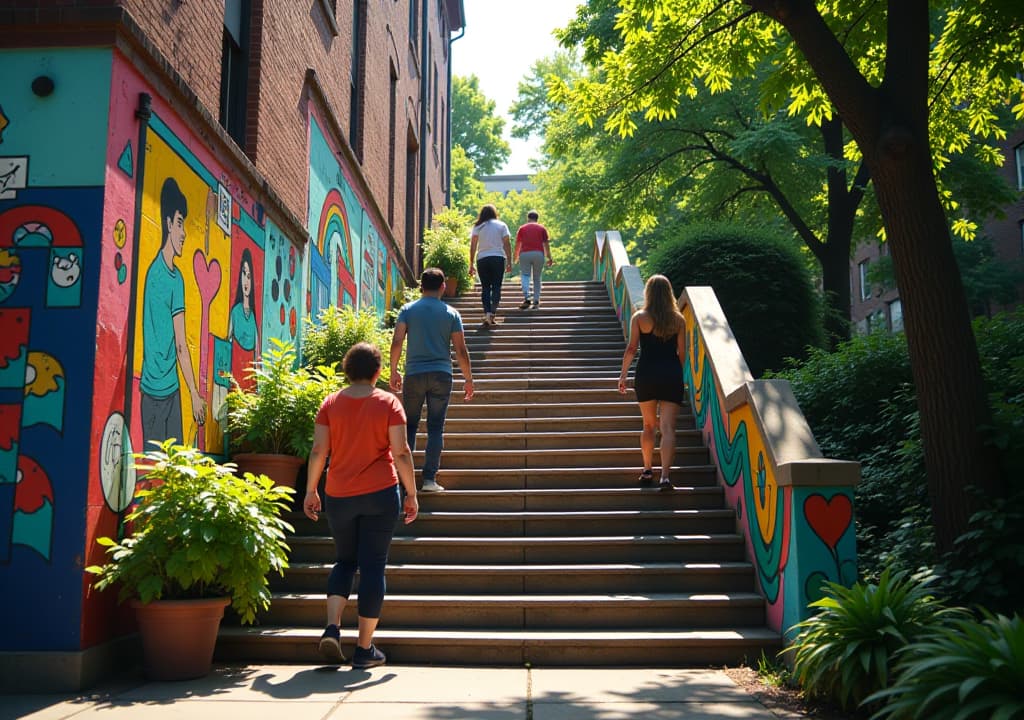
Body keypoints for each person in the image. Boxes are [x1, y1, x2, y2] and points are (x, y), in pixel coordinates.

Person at [303, 342, 419, 668]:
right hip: (381, 494)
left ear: (347, 370)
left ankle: (331, 627)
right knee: (372, 567)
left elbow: (318, 451)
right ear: (378, 371)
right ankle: (364, 649)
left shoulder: (330, 404)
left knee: (343, 561)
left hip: (338, 495)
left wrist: (312, 490)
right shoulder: (388, 404)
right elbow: (401, 453)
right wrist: (411, 493)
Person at [389, 267, 474, 492]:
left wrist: (394, 370)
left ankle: (400, 478)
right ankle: (429, 480)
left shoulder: (407, 310)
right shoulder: (451, 313)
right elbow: (461, 350)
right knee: (436, 427)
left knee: (409, 425)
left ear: (421, 287)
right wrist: (468, 379)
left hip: (414, 374)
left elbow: (397, 341)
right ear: (443, 287)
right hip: (441, 374)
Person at [139, 177, 207, 445]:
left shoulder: (155, 273)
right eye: (180, 223)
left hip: (156, 390)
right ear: (168, 224)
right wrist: (195, 394)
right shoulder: (169, 278)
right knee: (170, 472)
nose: (184, 232)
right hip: (164, 392)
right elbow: (181, 344)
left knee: (153, 472)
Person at [617, 274, 687, 491]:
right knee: (668, 428)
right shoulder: (678, 320)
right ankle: (665, 477)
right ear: (668, 293)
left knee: (648, 425)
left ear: (648, 293)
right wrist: (678, 375)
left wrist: (623, 375)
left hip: (646, 374)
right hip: (670, 373)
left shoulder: (639, 317)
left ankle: (647, 469)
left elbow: (632, 348)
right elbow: (682, 353)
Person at [468, 204, 512, 326]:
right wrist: (509, 261)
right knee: (497, 286)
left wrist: (471, 263)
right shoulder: (501, 225)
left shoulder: (478, 226)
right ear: (494, 213)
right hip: (498, 258)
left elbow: (473, 246)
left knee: (485, 287)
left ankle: (487, 313)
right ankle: (492, 312)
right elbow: (507, 244)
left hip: (482, 259)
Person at [514, 210, 553, 309]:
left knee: (525, 275)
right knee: (537, 277)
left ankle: (527, 297)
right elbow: (546, 244)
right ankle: (536, 300)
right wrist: (549, 257)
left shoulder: (522, 228)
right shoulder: (542, 228)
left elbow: (518, 243)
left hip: (525, 254)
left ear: (528, 218)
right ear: (537, 218)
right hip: (538, 254)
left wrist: (516, 256)